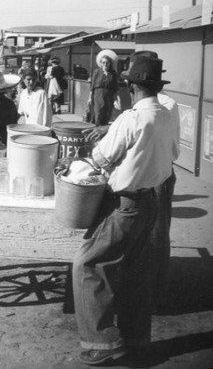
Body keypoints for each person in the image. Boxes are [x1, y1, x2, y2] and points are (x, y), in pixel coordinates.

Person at [72, 55, 179, 365]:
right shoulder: (166, 114)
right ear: (156, 86)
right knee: (136, 271)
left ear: (131, 86)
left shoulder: (130, 118)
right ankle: (136, 337)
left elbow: (102, 157)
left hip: (127, 204)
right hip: (152, 201)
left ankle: (102, 342)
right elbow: (173, 153)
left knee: (87, 263)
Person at [88, 49, 119, 126]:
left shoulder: (113, 73)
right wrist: (89, 98)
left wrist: (116, 98)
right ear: (101, 64)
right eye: (103, 62)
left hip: (109, 95)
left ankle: (103, 131)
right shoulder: (97, 72)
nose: (105, 64)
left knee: (107, 113)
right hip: (98, 95)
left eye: (107, 63)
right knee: (98, 113)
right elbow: (92, 86)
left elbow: (115, 87)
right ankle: (96, 128)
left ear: (110, 63)